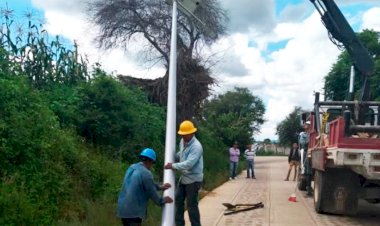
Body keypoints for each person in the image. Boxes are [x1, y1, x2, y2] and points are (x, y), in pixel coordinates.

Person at [117, 148, 173, 226]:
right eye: (152, 163)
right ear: (150, 161)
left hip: (123, 209)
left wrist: (160, 187)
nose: (152, 165)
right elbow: (152, 192)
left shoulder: (132, 167)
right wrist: (162, 200)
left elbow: (146, 184)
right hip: (133, 212)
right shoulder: (146, 173)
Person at [164, 120, 203, 226]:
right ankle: (179, 224)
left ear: (191, 133)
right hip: (184, 178)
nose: (183, 136)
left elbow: (189, 164)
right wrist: (172, 156)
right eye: (182, 134)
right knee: (178, 200)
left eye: (185, 134)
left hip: (193, 180)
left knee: (191, 205)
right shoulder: (183, 141)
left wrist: (172, 166)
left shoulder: (196, 147)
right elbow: (181, 154)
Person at [299, 121, 312, 196]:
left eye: (308, 124)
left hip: (313, 150)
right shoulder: (303, 135)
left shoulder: (314, 133)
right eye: (306, 124)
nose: (306, 125)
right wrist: (310, 140)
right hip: (306, 151)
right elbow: (303, 143)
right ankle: (308, 188)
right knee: (307, 170)